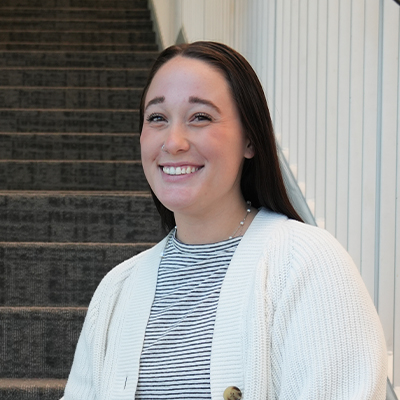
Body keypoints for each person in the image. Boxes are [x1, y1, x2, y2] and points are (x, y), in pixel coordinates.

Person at [62, 41, 388, 399]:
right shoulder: (117, 289)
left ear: (250, 139)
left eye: (200, 117)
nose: (173, 142)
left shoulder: (307, 263)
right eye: (157, 118)